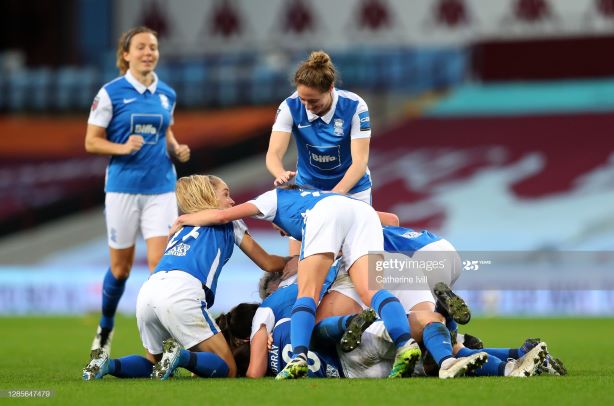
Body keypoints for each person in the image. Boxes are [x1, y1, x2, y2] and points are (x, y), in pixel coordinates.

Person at [172, 185, 420, 379]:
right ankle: (405, 343)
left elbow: (223, 215)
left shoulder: (271, 198)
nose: (283, 232)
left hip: (327, 216)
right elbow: (392, 221)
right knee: (372, 291)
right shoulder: (320, 197)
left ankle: (298, 359)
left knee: (307, 295)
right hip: (362, 213)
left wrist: (185, 219)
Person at [82, 175, 289, 380]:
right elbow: (268, 263)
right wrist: (297, 260)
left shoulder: (182, 227)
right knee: (228, 368)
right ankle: (180, 357)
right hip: (182, 291)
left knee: (154, 363)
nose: (232, 201)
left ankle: (107, 364)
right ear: (208, 196)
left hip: (149, 290)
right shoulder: (229, 221)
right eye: (226, 194)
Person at [84, 26, 191, 354]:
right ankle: (105, 326)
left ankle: (161, 342)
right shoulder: (110, 93)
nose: (148, 52)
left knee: (160, 265)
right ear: (126, 54)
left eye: (153, 47)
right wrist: (122, 147)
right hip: (123, 189)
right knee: (121, 269)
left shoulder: (166, 94)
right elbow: (91, 142)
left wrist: (177, 149)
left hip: (160, 188)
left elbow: (166, 133)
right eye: (141, 47)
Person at [266, 50, 373, 255]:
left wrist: (335, 196)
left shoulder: (355, 106)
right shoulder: (290, 106)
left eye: (313, 101)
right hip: (308, 188)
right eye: (303, 100)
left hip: (352, 188)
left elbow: (360, 162)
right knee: (299, 262)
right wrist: (279, 173)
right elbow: (273, 154)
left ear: (331, 88)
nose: (307, 106)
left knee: (355, 259)